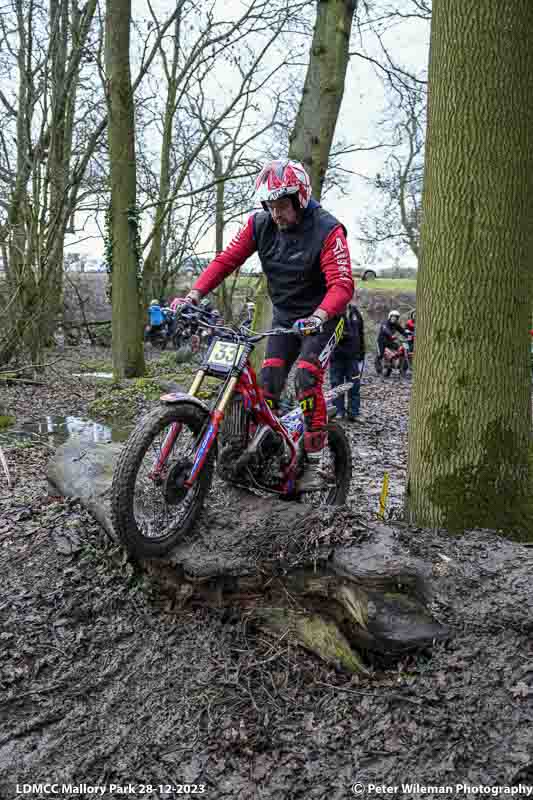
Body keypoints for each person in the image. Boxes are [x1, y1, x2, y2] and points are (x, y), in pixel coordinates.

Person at [181, 159, 354, 490]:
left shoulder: (327, 229)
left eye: (282, 206)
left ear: (300, 198)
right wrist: (194, 295)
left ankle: (314, 463)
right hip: (286, 317)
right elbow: (226, 260)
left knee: (306, 374)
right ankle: (264, 454)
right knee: (268, 381)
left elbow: (342, 285)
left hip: (324, 318)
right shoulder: (259, 225)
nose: (276, 214)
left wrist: (318, 317)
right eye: (270, 206)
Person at [329, 302, 365, 421]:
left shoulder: (354, 312)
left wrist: (362, 351)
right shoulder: (333, 311)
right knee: (336, 384)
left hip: (353, 357)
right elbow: (329, 334)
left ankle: (353, 413)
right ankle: (338, 411)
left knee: (354, 385)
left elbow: (360, 332)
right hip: (337, 356)